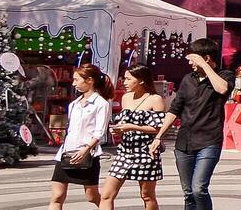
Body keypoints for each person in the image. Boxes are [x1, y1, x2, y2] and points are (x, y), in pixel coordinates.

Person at [153, 39, 233, 210]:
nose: (189, 62)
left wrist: (205, 66)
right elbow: (175, 109)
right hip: (184, 142)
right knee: (189, 192)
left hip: (209, 141)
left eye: (193, 58)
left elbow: (222, 89)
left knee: (199, 189)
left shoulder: (224, 76)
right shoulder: (188, 79)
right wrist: (159, 136)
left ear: (206, 58)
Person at [103, 66, 167, 210]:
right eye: (124, 78)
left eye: (128, 79)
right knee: (107, 195)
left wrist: (131, 127)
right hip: (124, 152)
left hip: (146, 152)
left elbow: (159, 129)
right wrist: (119, 130)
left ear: (141, 80)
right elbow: (123, 123)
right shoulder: (126, 98)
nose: (124, 82)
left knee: (147, 195)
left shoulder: (155, 99)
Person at [50, 64, 111, 210]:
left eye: (77, 80)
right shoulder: (74, 104)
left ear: (89, 80)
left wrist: (86, 148)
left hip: (88, 154)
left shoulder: (101, 104)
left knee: (91, 196)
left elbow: (99, 131)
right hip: (66, 153)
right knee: (57, 196)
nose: (73, 83)